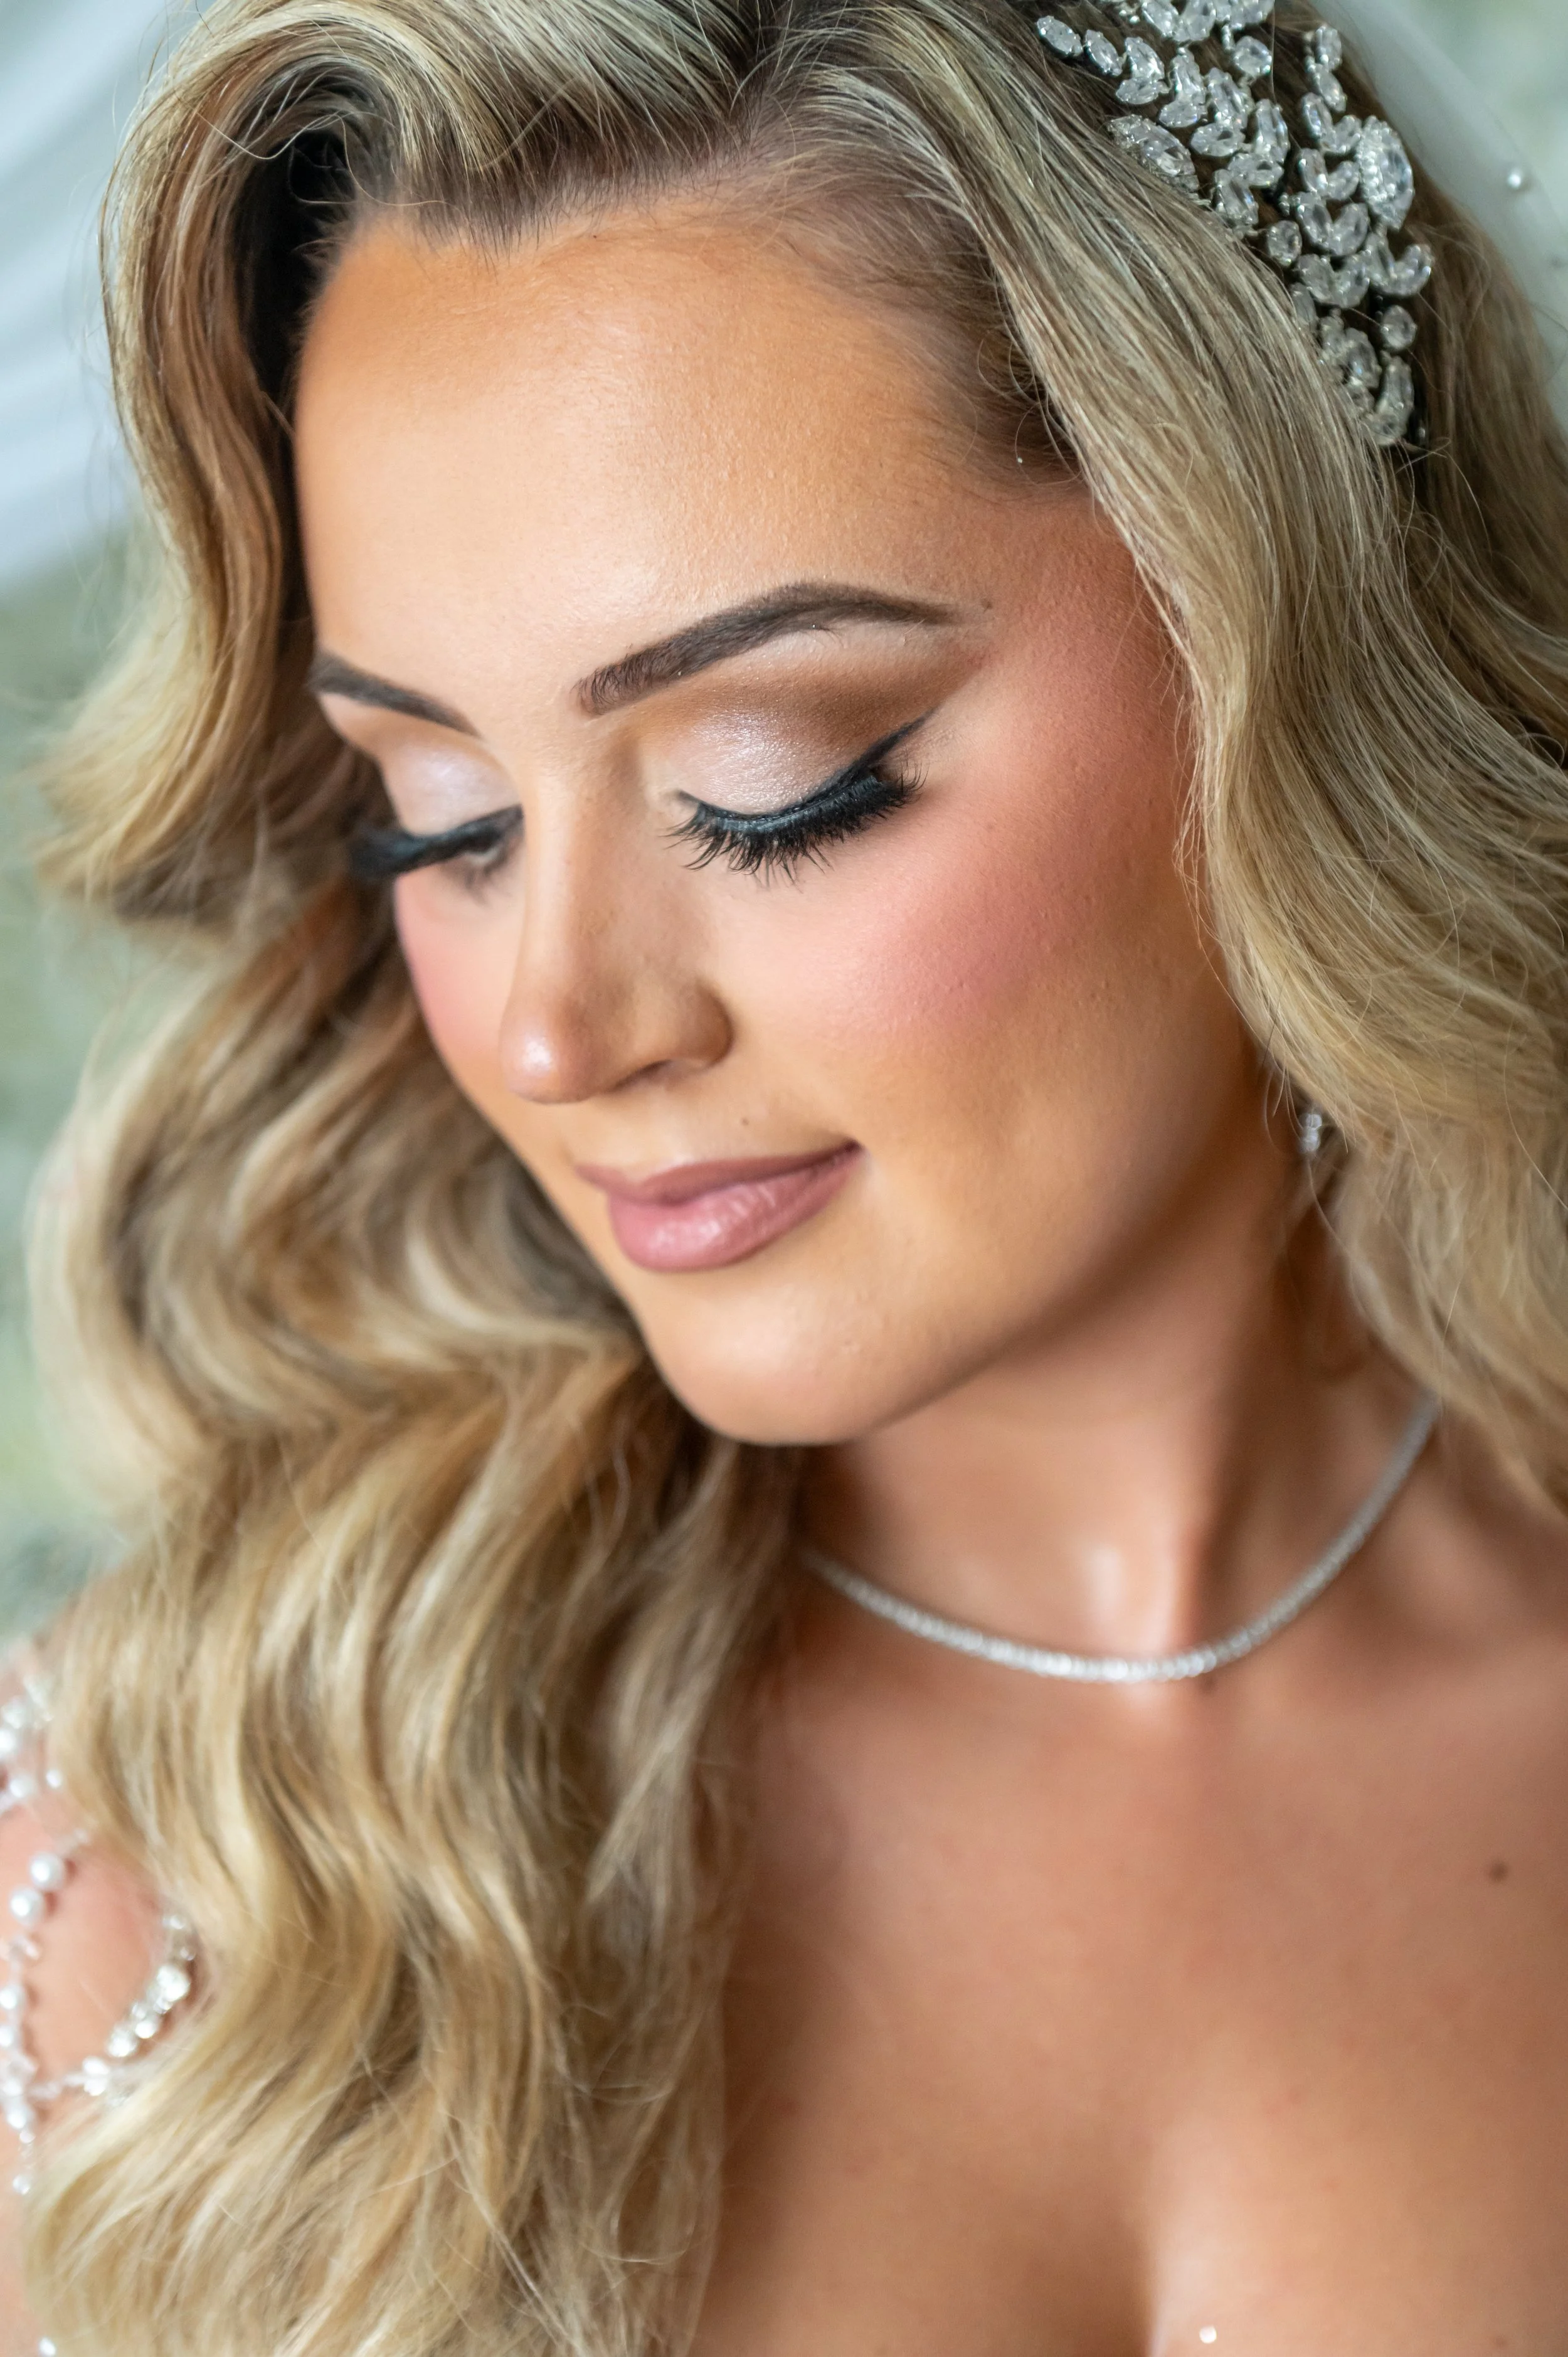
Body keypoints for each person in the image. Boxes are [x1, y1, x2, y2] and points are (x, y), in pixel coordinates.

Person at [1, 0, 1567, 2346]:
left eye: (774, 780)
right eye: (437, 819)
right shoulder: (186, 1854)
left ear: (1293, 628)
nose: (555, 1024)